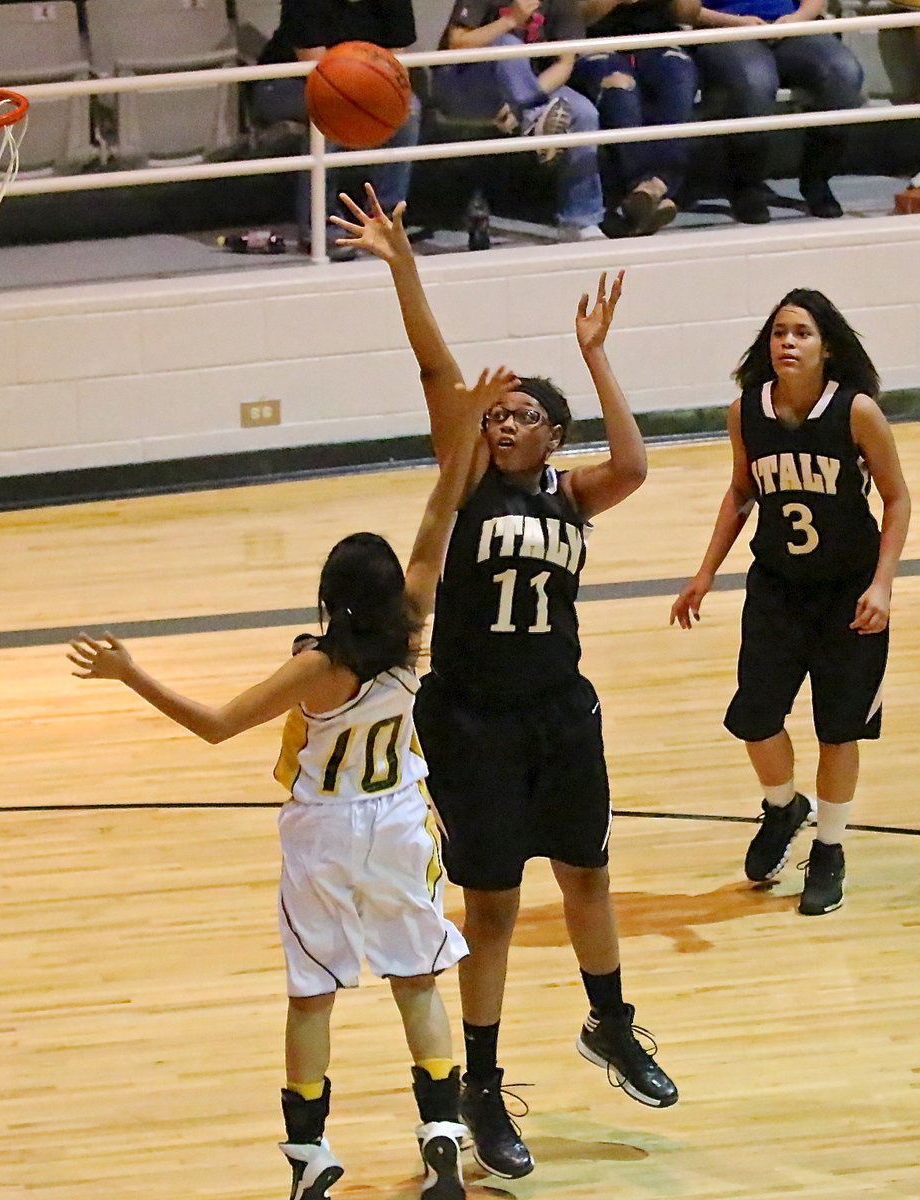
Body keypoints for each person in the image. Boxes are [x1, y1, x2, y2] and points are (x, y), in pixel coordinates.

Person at [66, 364, 521, 1200]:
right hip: (399, 824)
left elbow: (210, 724)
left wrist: (130, 673)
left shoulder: (318, 667)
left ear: (329, 595)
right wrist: (464, 431)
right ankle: (442, 1133)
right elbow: (437, 518)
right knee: (416, 981)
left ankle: (310, 1155)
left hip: (326, 830)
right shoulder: (412, 628)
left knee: (313, 993)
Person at [331, 183, 678, 1182]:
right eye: (500, 411)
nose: (505, 420)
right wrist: (404, 269)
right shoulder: (466, 475)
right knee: (488, 911)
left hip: (561, 713)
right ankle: (480, 1087)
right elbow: (437, 365)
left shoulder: (573, 494)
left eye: (524, 416)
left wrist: (596, 357)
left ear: (547, 438)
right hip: (472, 719)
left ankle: (609, 1023)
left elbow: (636, 462)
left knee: (588, 878)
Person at [670, 290, 910, 916]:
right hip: (777, 587)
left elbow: (899, 499)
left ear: (826, 346)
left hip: (847, 591)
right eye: (780, 331)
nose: (788, 342)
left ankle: (828, 848)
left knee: (839, 728)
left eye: (802, 332)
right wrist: (703, 574)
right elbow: (739, 492)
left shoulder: (856, 412)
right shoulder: (745, 412)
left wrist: (883, 584)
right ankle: (783, 807)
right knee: (754, 715)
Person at [251, 0, 421, 260]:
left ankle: (384, 220)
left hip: (358, 86)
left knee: (408, 110)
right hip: (284, 85)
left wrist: (382, 98)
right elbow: (316, 67)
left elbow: (397, 66)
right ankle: (319, 226)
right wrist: (365, 95)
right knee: (332, 110)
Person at [433, 0, 607, 241]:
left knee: (584, 112)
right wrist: (510, 21)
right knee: (507, 43)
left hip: (527, 90)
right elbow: (457, 42)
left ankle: (580, 220)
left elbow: (564, 63)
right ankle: (535, 122)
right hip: (468, 86)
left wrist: (522, 101)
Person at [693, 0, 864, 223]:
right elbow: (682, 8)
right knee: (754, 81)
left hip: (791, 26)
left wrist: (796, 19)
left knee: (844, 72)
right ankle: (745, 186)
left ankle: (817, 179)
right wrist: (734, 22)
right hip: (724, 30)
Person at [572, 0, 700, 236]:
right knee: (621, 90)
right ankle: (646, 189)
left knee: (678, 80)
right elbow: (572, 16)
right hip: (591, 43)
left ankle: (653, 188)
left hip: (659, 42)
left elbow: (690, 13)